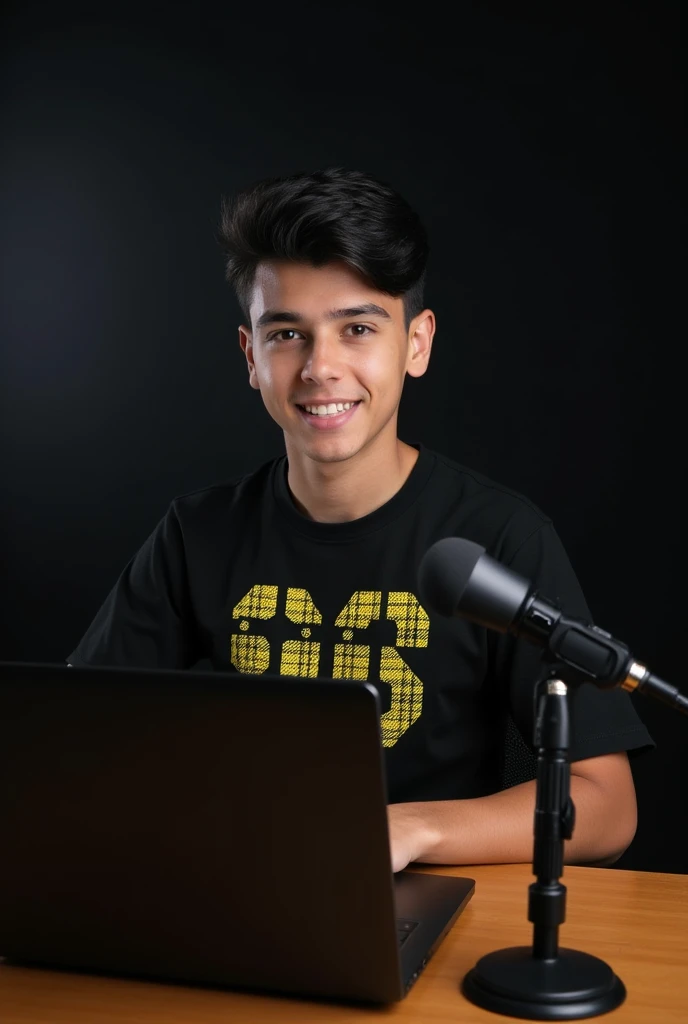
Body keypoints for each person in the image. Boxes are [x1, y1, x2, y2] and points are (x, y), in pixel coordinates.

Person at [67, 167, 653, 872]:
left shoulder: (500, 536)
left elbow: (608, 807)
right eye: (287, 333)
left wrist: (408, 831)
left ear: (416, 343)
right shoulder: (198, 534)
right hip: (242, 884)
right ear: (252, 357)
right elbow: (78, 742)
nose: (321, 367)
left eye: (357, 328)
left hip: (425, 900)